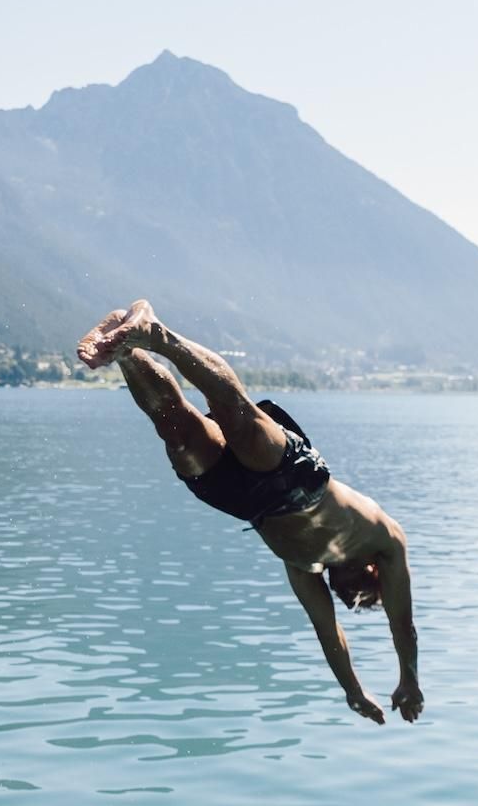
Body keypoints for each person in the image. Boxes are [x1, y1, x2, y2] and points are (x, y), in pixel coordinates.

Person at [78, 301, 422, 724]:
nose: (353, 602)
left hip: (246, 503)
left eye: (353, 605)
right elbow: (403, 624)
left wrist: (353, 691)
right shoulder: (385, 541)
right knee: (235, 415)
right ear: (375, 577)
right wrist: (409, 679)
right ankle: (155, 332)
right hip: (298, 479)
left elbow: (328, 633)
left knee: (177, 430)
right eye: (368, 599)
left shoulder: (306, 567)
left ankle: (126, 351)